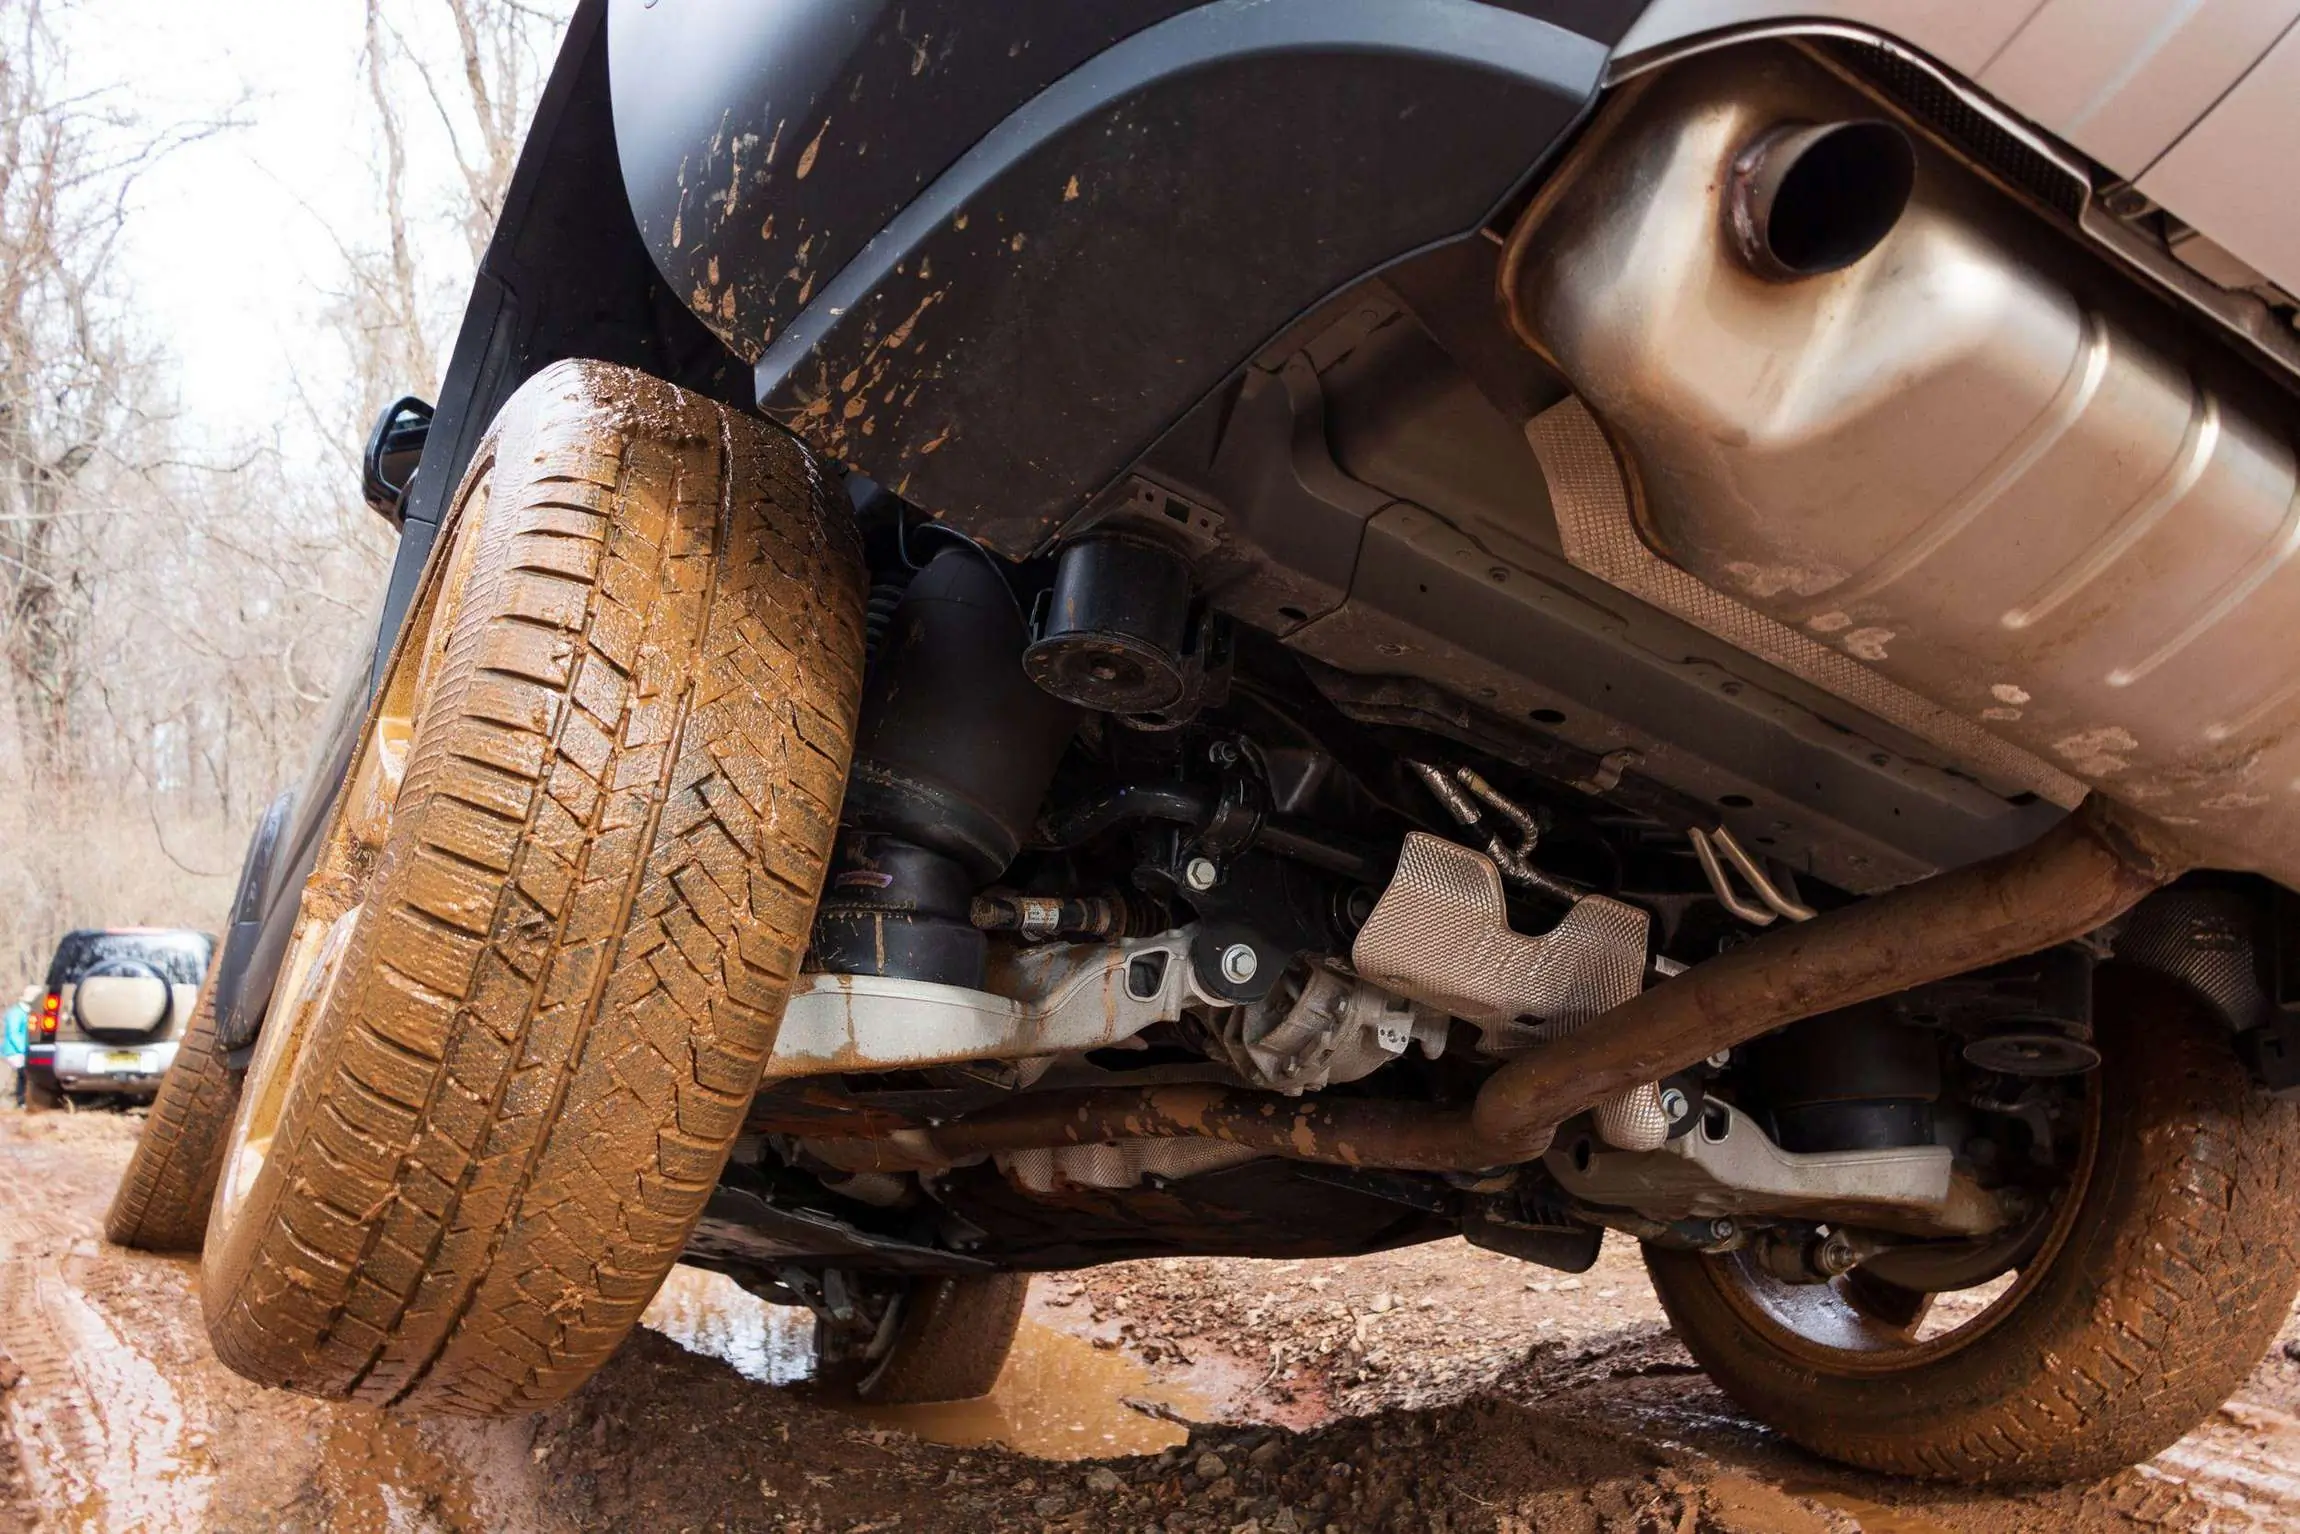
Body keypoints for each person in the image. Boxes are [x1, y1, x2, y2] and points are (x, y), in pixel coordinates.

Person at [3, 986, 30, 1108]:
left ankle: (21, 1101)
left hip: (23, 1050)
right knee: (22, 1075)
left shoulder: (27, 1012)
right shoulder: (16, 1013)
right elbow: (13, 1034)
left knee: (23, 1076)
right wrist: (24, 1050)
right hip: (14, 1051)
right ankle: (20, 1102)